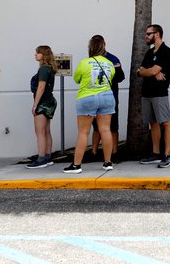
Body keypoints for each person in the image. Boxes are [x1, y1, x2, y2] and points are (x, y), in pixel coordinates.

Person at [64, 36, 117, 173]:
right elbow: (111, 77)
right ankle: (108, 162)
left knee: (83, 132)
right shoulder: (109, 63)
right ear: (103, 46)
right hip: (106, 97)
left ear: (90, 47)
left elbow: (77, 79)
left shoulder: (84, 63)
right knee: (105, 129)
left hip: (88, 97)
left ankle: (76, 165)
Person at [137, 24, 170, 168]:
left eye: (148, 34)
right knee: (152, 123)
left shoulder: (166, 51)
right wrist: (149, 71)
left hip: (160, 93)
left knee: (165, 122)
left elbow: (150, 71)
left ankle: (167, 155)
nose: (146, 36)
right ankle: (156, 153)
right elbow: (140, 70)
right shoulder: (149, 52)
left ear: (157, 34)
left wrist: (151, 71)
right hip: (147, 93)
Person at [89, 34, 123, 163]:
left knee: (113, 127)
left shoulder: (113, 59)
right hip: (94, 98)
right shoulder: (90, 60)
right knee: (96, 127)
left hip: (110, 97)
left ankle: (114, 152)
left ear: (104, 43)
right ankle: (93, 152)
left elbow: (120, 77)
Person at [27, 45, 58, 169]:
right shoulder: (49, 68)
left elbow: (41, 87)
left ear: (44, 55)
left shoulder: (44, 69)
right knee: (46, 131)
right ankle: (47, 156)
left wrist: (35, 105)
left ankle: (41, 158)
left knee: (39, 132)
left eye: (38, 53)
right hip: (49, 101)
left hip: (43, 102)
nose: (35, 54)